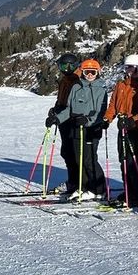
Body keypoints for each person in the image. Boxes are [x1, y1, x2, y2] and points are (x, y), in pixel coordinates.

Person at [48, 58, 109, 200]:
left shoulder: (100, 89)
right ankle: (83, 186)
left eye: (93, 72)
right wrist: (57, 118)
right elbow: (69, 109)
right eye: (87, 72)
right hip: (76, 126)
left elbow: (101, 112)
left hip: (91, 128)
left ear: (98, 73)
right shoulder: (76, 87)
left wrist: (88, 120)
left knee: (89, 159)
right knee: (78, 158)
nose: (89, 75)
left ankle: (98, 189)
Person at [103, 54, 138, 208]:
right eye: (126, 67)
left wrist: (132, 120)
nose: (128, 71)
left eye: (131, 68)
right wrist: (107, 118)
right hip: (123, 127)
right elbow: (113, 104)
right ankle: (129, 191)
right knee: (124, 160)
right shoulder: (121, 85)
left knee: (135, 162)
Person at [45, 53, 82, 199]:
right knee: (66, 151)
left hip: (73, 120)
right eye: (63, 66)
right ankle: (72, 181)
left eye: (70, 66)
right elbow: (62, 98)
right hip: (63, 120)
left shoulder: (78, 81)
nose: (67, 69)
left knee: (74, 152)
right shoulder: (64, 80)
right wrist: (56, 109)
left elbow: (75, 104)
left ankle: (79, 183)